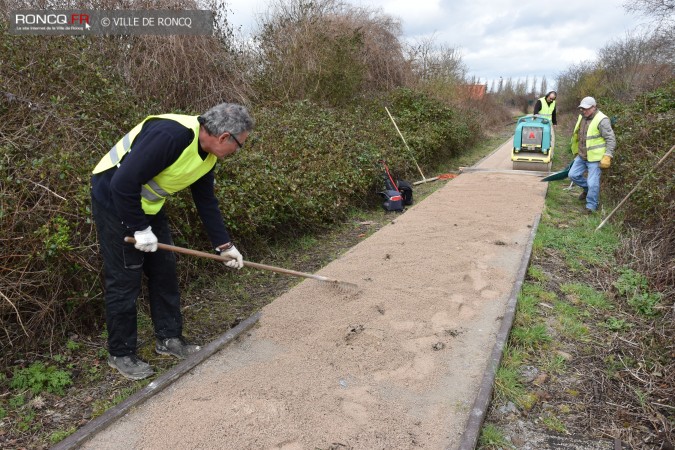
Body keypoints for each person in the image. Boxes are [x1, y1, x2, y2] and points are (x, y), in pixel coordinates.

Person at [91, 103, 254, 380]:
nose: (237, 152)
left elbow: (206, 202)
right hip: (113, 198)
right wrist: (139, 228)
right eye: (240, 145)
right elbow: (122, 183)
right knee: (125, 277)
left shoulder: (209, 155)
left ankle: (169, 338)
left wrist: (224, 246)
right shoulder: (171, 136)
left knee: (164, 270)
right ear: (225, 137)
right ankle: (121, 353)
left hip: (147, 206)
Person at [569, 96, 616, 214]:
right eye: (582, 109)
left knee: (593, 183)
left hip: (595, 158)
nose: (584, 111)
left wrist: (608, 155)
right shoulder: (582, 117)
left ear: (594, 107)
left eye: (586, 109)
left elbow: (611, 139)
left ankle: (591, 206)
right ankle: (587, 190)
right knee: (573, 175)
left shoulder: (602, 120)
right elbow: (578, 135)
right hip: (582, 155)